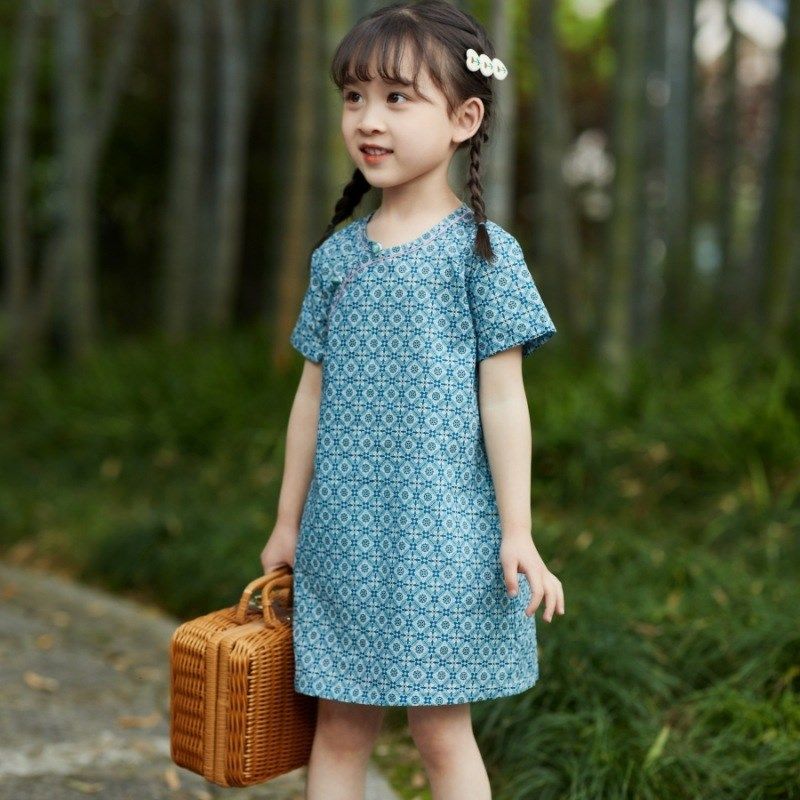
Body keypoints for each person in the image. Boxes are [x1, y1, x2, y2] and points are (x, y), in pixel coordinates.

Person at [261, 1, 566, 797]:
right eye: (354, 97)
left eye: (398, 98)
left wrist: (518, 531)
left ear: (465, 119)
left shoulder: (482, 255)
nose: (369, 118)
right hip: (342, 538)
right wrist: (288, 522)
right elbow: (310, 399)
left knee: (439, 729)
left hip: (447, 537)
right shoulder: (336, 258)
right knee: (339, 725)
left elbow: (505, 402)